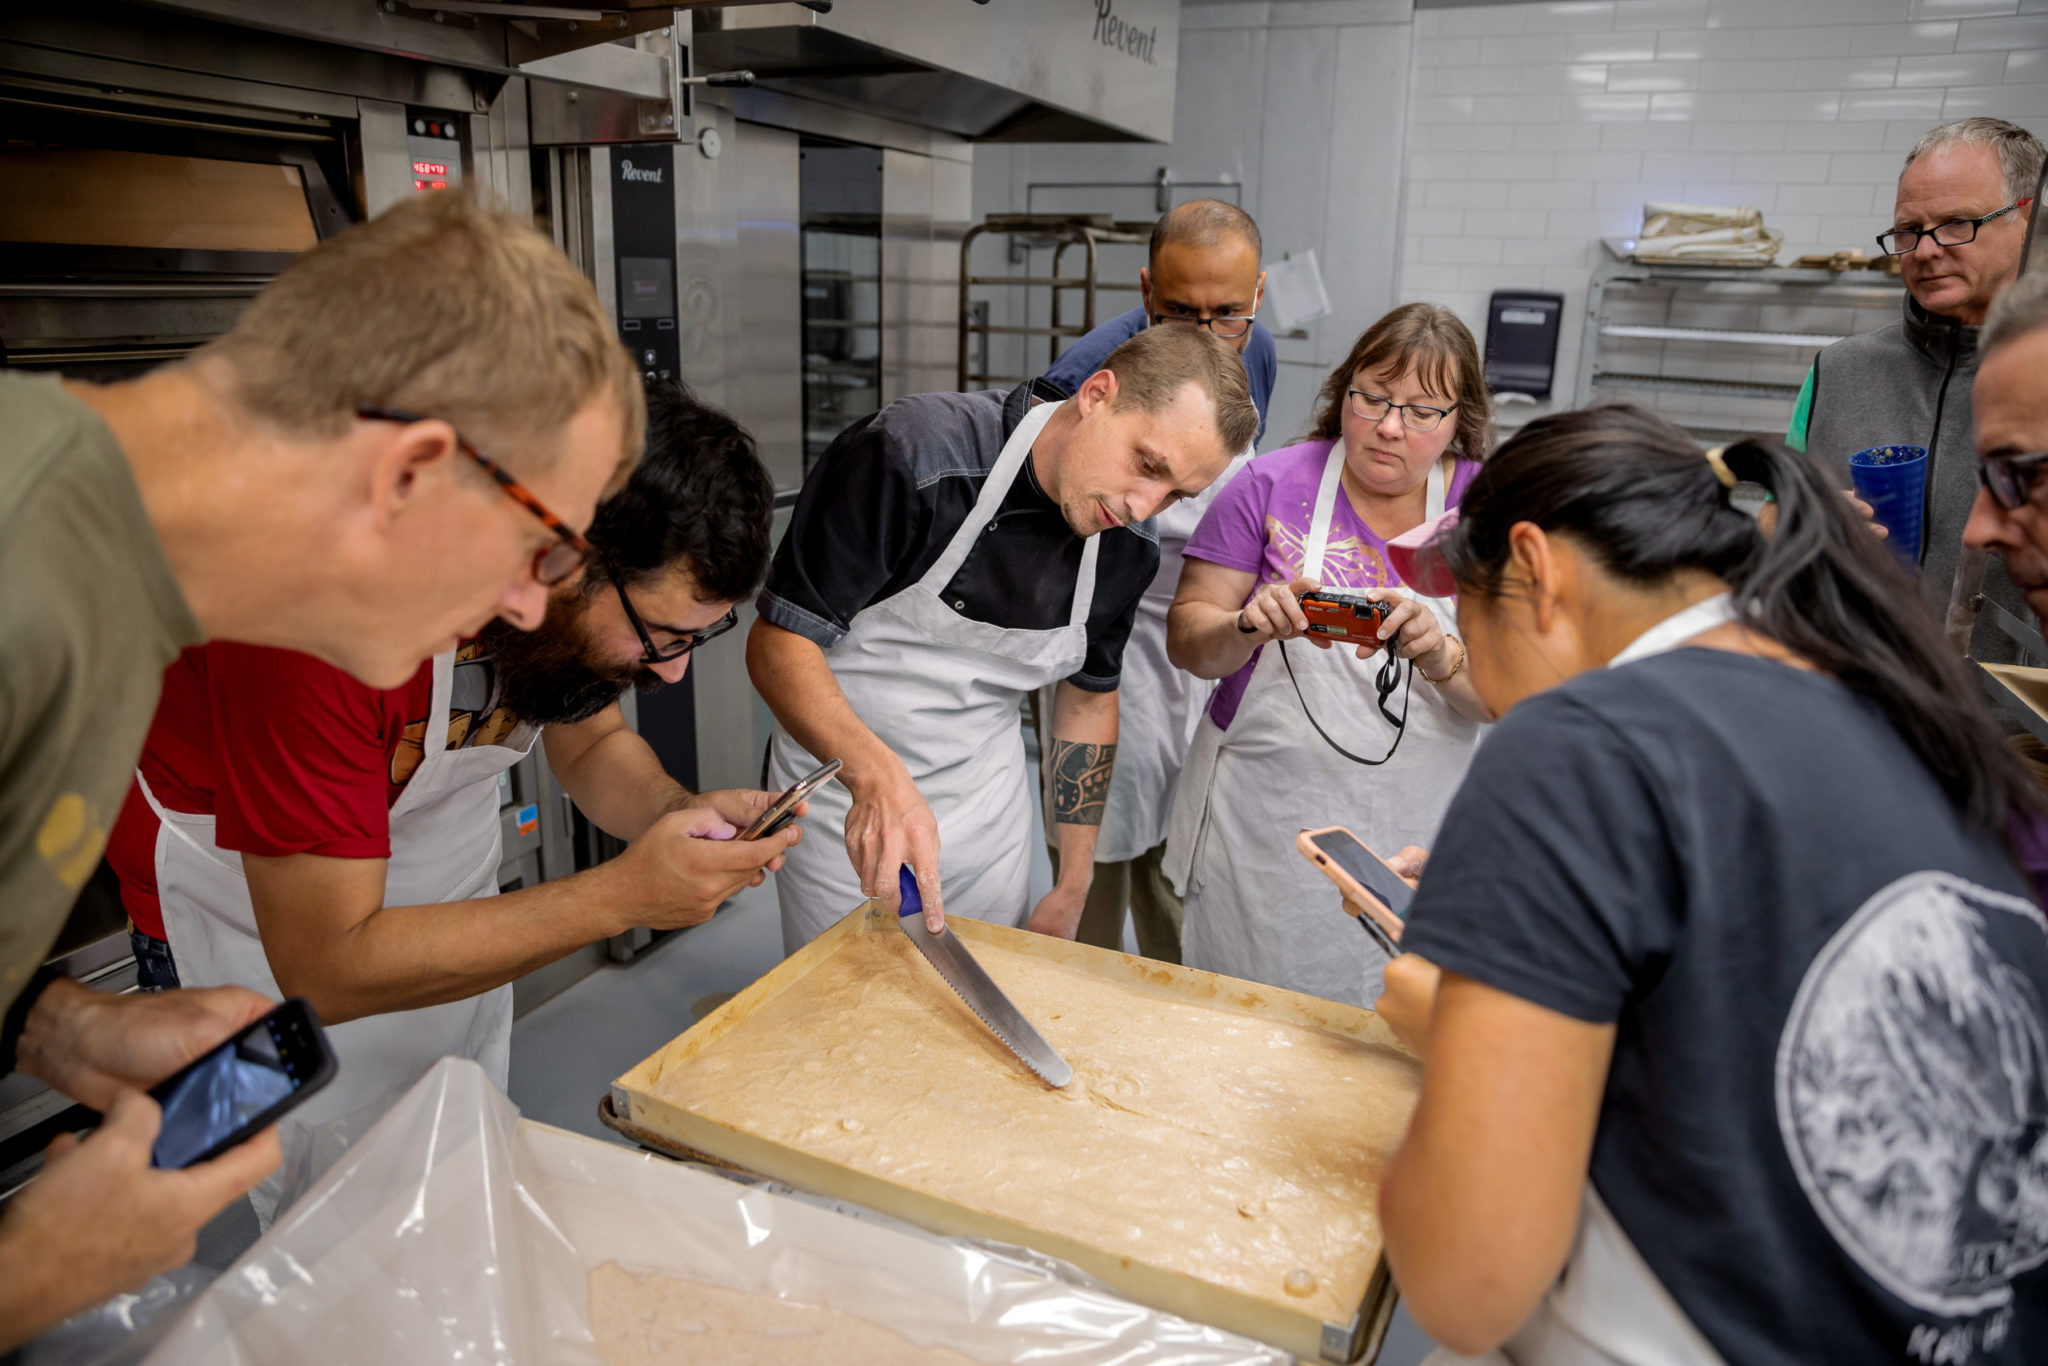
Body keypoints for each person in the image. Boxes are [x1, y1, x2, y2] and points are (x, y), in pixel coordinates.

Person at [0, 190, 640, 1349]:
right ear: (408, 472)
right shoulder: (22, 597)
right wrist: (32, 1269)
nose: (528, 604)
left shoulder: (108, 581)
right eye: (541, 545)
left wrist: (57, 1030)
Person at [1374, 406, 2048, 1364]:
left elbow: (1463, 1284)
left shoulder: (1578, 742)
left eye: (1466, 615)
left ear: (1535, 570)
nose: (1481, 685)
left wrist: (1465, 1034)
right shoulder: (1909, 715)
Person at [101, 381, 790, 1218]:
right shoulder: (317, 614)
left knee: (441, 1182)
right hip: (240, 936)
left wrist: (671, 816)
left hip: (441, 916)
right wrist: (619, 897)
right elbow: (325, 966)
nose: (673, 673)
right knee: (275, 1225)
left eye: (697, 640)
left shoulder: (536, 583)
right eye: (663, 638)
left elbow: (594, 741)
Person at [749, 325, 1258, 953]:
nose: (1143, 505)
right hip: (844, 807)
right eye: (1147, 464)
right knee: (848, 1019)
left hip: (984, 818)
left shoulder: (1128, 552)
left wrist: (1074, 881)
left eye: (1176, 493)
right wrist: (878, 780)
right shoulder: (914, 456)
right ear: (1097, 394)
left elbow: (1088, 701)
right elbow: (778, 644)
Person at [1162, 305, 1493, 1006]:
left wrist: (1442, 658)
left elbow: (1506, 699)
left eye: (1422, 411)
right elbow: (1190, 642)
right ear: (1342, 390)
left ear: (1459, 418)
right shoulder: (1269, 486)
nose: (1390, 427)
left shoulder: (1489, 509)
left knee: (1393, 1019)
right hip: (1265, 825)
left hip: (1418, 831)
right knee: (1245, 1011)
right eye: (1371, 398)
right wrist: (1248, 626)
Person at [1034, 199, 1271, 962]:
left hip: (1198, 648)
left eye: (1227, 315)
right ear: (1146, 292)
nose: (1207, 337)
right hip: (1116, 650)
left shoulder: (1253, 351)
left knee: (1183, 853)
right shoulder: (1078, 382)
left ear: (1257, 297)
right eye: (1180, 313)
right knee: (1098, 846)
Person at [1792, 117, 2043, 659]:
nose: (1926, 250)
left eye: (1957, 224)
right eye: (1909, 230)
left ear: (2030, 220)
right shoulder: (1839, 369)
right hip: (1852, 699)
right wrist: (1802, 519)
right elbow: (1775, 506)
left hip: (2009, 728)